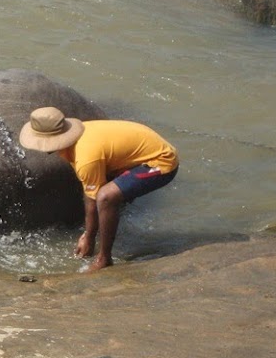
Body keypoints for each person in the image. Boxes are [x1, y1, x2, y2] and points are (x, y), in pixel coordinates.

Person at [18, 107, 179, 271]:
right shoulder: (80, 138)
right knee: (99, 190)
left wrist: (89, 237)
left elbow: (93, 197)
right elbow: (89, 187)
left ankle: (104, 259)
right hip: (139, 153)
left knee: (105, 197)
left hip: (161, 161)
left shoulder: (86, 157)